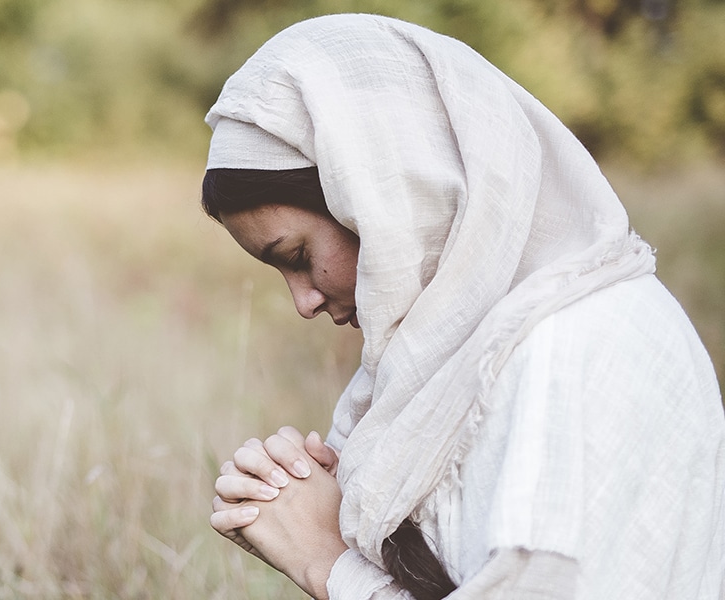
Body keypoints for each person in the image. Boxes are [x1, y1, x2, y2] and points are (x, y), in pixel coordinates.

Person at [200, 14, 725, 600]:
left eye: (298, 255)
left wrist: (327, 565)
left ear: (385, 198)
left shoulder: (579, 349)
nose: (303, 301)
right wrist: (331, 514)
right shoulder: (469, 346)